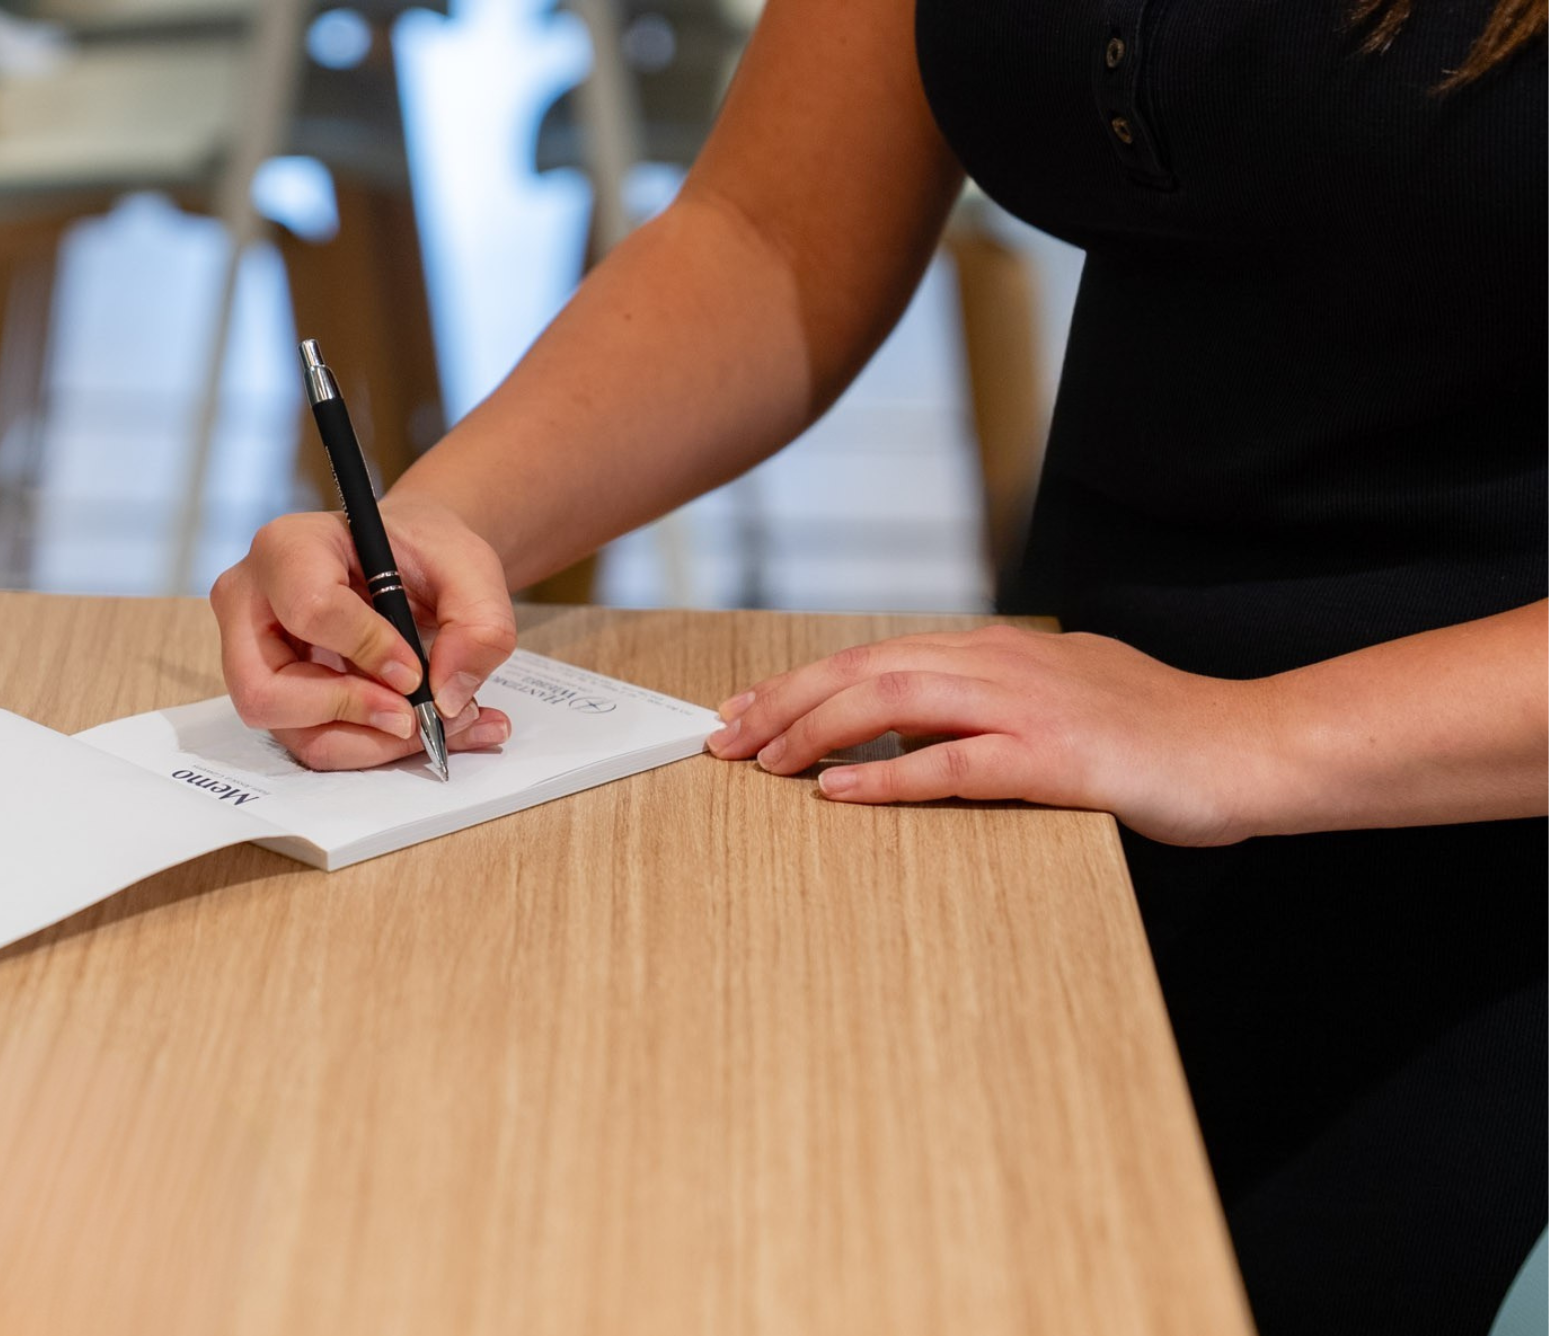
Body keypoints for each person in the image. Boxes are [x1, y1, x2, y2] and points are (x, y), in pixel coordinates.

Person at [209, 0, 1547, 1328]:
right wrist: (450, 524)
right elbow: (771, 233)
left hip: (1479, 870)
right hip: (1077, 787)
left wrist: (1264, 735)